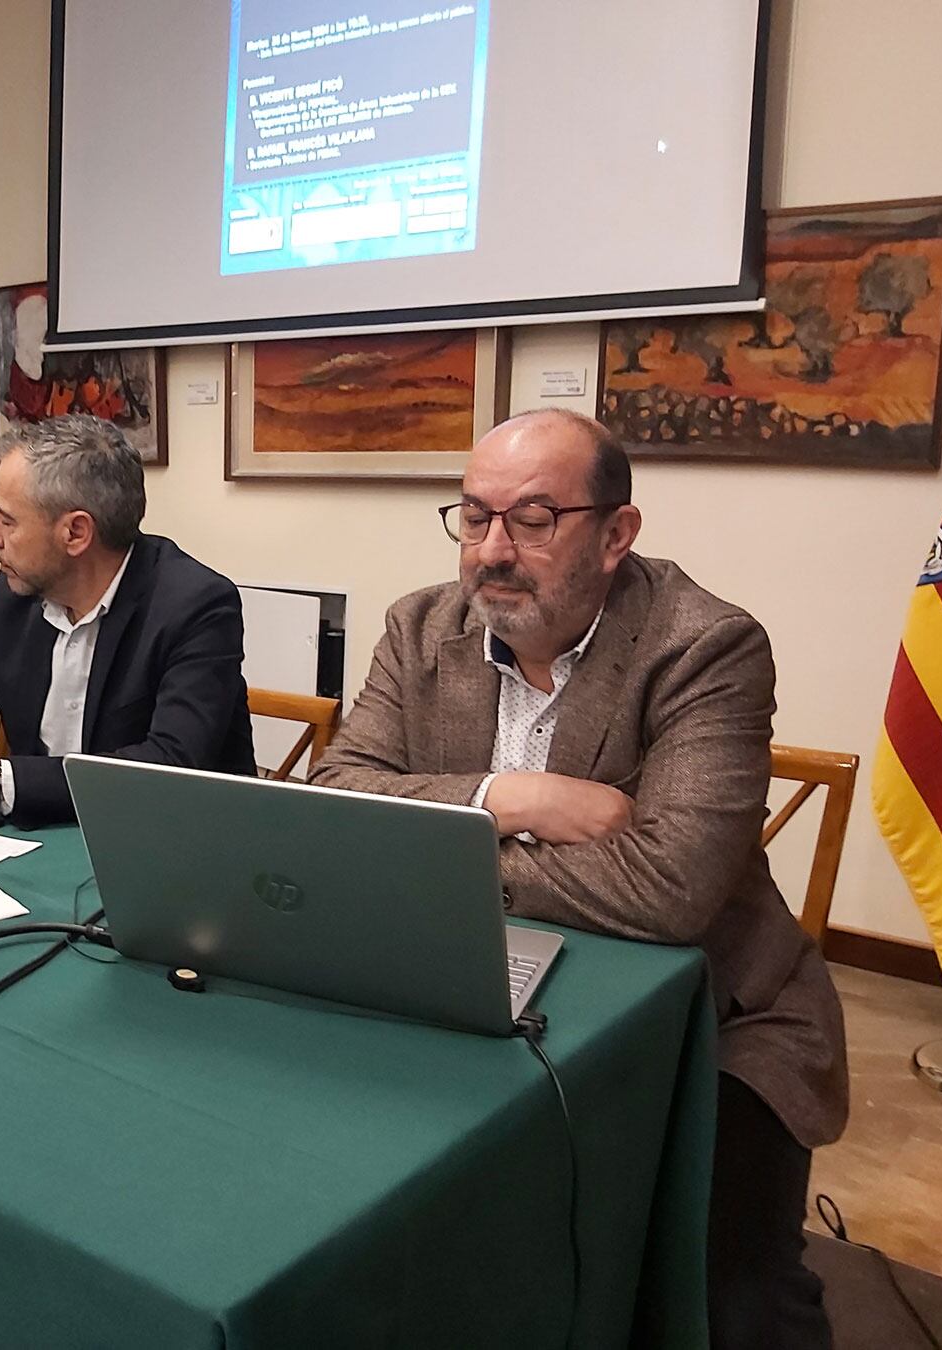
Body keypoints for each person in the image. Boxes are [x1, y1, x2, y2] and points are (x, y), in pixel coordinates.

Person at [308, 407, 847, 1349]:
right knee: (389, 1226)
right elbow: (343, 793)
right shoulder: (421, 625)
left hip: (718, 1015)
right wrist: (509, 798)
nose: (490, 551)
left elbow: (670, 890)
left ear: (616, 534)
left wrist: (438, 853)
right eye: (473, 516)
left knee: (724, 1301)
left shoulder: (705, 645)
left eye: (532, 518)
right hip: (469, 979)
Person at [0, 414, 255, 826]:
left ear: (75, 533)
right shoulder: (13, 597)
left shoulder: (194, 606)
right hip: (43, 838)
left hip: (168, 842)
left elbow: (169, 765)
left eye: (8, 520)